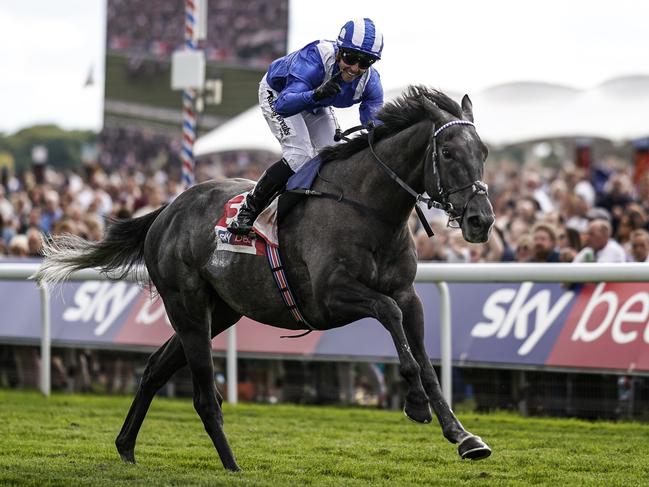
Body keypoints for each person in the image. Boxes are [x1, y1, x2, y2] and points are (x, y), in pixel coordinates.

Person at [228, 18, 385, 234]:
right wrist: (316, 94)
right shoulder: (315, 57)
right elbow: (284, 104)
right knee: (299, 156)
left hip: (316, 102)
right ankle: (249, 210)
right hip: (279, 95)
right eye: (350, 57)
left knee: (333, 156)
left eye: (365, 62)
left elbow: (375, 124)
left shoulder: (371, 82)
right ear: (339, 51)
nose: (355, 68)